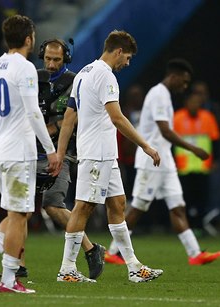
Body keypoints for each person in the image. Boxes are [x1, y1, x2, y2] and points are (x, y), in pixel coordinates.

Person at [55, 30, 163, 283]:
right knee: (84, 207)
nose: (127, 63)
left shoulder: (84, 72)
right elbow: (117, 117)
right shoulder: (106, 76)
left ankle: (134, 267)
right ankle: (67, 269)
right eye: (127, 58)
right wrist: (146, 146)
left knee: (118, 204)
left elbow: (70, 116)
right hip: (97, 153)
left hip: (103, 153)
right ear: (118, 51)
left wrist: (60, 152)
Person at [104, 59, 220, 266]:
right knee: (139, 206)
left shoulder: (165, 96)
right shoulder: (158, 94)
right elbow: (165, 131)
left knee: (178, 206)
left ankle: (195, 254)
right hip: (152, 160)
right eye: (184, 82)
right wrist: (194, 149)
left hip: (165, 161)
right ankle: (114, 251)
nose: (184, 87)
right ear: (174, 76)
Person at [0, 15, 61, 294]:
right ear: (28, 39)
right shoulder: (24, 68)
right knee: (21, 214)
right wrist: (50, 150)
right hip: (18, 152)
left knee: (14, 213)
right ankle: (9, 279)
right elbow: (33, 112)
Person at [34, 38, 105, 279]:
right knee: (16, 207)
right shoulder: (34, 79)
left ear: (66, 59)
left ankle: (91, 249)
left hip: (61, 153)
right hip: (30, 151)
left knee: (53, 205)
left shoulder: (76, 82)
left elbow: (75, 116)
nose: (52, 65)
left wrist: (50, 129)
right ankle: (16, 264)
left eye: (57, 60)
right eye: (48, 59)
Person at [173, 91, 220, 234]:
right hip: (183, 166)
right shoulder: (177, 118)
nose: (195, 105)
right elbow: (170, 141)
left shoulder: (208, 117)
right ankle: (186, 228)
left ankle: (200, 227)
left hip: (203, 166)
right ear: (186, 103)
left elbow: (215, 140)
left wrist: (216, 160)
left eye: (197, 102)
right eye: (192, 102)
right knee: (185, 199)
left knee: (202, 198)